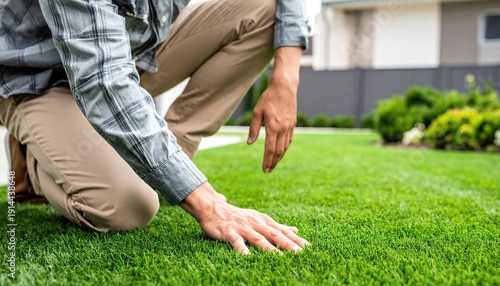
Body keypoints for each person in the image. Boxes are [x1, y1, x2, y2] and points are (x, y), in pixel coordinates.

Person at [0, 0, 311, 254]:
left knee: (263, 10)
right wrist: (209, 204)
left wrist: (286, 77)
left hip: (130, 52)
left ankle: (168, 159)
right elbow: (103, 82)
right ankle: (35, 159)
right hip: (35, 76)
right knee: (128, 207)